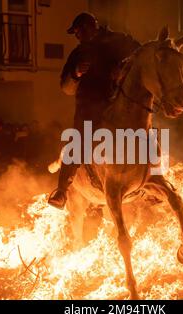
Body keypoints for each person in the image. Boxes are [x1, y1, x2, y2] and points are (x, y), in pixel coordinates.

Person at [48, 12, 141, 209]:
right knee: (78, 141)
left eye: (79, 31)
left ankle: (155, 179)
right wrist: (76, 73)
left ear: (90, 27)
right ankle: (62, 191)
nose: (78, 36)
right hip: (89, 108)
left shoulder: (119, 41)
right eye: (76, 33)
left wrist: (123, 69)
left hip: (119, 102)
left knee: (146, 130)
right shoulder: (78, 54)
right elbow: (66, 87)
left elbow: (139, 54)